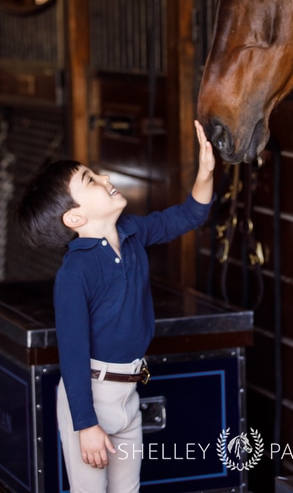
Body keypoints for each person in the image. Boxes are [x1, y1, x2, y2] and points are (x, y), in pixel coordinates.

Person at [16, 120, 215, 493]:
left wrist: (205, 171)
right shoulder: (75, 273)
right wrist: (86, 424)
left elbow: (190, 214)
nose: (104, 176)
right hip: (91, 398)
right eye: (90, 180)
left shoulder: (133, 231)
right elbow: (73, 355)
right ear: (75, 218)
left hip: (128, 393)